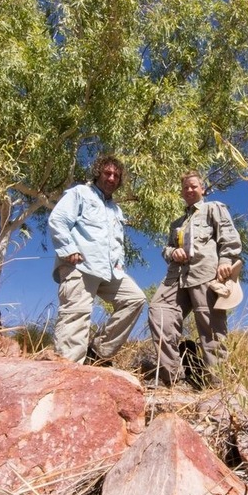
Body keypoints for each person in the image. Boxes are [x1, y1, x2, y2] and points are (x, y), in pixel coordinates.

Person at [48, 155, 146, 365]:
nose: (111, 178)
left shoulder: (116, 210)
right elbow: (58, 219)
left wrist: (119, 263)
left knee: (135, 299)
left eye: (116, 176)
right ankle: (67, 373)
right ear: (98, 173)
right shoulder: (80, 193)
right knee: (76, 316)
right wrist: (68, 249)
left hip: (110, 270)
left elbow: (114, 241)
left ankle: (98, 352)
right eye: (107, 173)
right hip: (80, 265)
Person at [147, 171, 243, 387]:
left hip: (204, 274)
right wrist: (172, 253)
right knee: (158, 311)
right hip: (176, 277)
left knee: (210, 329)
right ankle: (172, 378)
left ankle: (218, 386)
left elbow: (228, 236)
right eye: (185, 188)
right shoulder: (177, 223)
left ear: (202, 189)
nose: (189, 190)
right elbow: (167, 248)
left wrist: (225, 260)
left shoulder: (213, 208)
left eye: (193, 186)